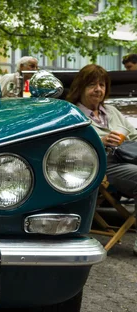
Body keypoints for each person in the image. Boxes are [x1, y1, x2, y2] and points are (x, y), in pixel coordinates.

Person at [66, 64, 137, 255]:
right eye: (92, 85)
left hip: (127, 158)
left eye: (102, 85)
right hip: (100, 164)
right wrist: (101, 141)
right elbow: (68, 147)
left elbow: (134, 136)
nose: (98, 90)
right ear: (80, 87)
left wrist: (127, 139)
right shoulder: (72, 114)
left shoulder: (112, 111)